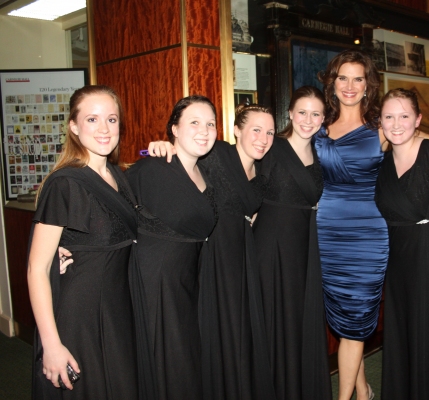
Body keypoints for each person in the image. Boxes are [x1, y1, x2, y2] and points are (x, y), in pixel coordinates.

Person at [148, 103, 277, 400]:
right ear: (236, 130)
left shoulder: (263, 170)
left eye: (269, 132)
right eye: (256, 129)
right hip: (211, 257)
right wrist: (158, 145)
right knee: (212, 334)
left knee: (239, 335)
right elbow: (181, 160)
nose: (263, 138)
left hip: (242, 258)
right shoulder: (215, 153)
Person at [28, 85, 138, 399]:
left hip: (117, 312)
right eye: (92, 120)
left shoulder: (119, 177)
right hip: (80, 317)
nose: (104, 129)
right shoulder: (66, 183)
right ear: (74, 127)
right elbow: (37, 268)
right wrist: (51, 345)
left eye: (112, 119)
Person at [125, 95, 218, 398]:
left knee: (184, 365)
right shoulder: (152, 168)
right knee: (161, 365)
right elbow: (109, 203)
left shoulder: (208, 171)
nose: (204, 130)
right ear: (174, 129)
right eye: (194, 122)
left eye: (210, 124)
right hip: (153, 283)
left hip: (186, 283)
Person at [313, 49, 388, 400]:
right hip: (327, 232)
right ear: (332, 81)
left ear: (368, 85)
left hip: (369, 235)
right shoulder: (317, 127)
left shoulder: (383, 129)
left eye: (358, 78)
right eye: (343, 77)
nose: (350, 85)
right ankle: (363, 387)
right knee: (343, 318)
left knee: (356, 317)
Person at [252, 86, 332, 400]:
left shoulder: (322, 155)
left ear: (323, 118)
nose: (308, 119)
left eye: (316, 113)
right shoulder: (271, 147)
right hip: (270, 248)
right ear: (290, 113)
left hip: (305, 248)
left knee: (298, 323)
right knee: (273, 321)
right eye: (302, 112)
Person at [374, 89, 429, 399]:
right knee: (402, 334)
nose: (396, 124)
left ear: (418, 119)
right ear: (379, 121)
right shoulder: (379, 162)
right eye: (389, 116)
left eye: (404, 116)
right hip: (397, 259)